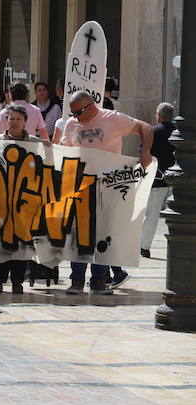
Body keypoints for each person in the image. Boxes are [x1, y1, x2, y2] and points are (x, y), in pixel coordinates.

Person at [61, 90, 153, 295]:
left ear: (91, 106)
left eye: (78, 112)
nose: (74, 117)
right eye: (72, 112)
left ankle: (99, 281)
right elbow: (64, 151)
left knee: (103, 234)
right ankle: (76, 281)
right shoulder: (71, 124)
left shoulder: (113, 118)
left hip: (109, 187)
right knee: (79, 235)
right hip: (80, 186)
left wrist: (145, 151)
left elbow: (145, 127)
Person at [0, 104, 50, 294]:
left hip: (25, 203)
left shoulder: (34, 142)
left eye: (19, 119)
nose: (15, 122)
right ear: (6, 120)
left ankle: (17, 281)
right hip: (0, 201)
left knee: (22, 242)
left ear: (25, 122)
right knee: (0, 242)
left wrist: (49, 148)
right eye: (11, 118)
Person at [141, 102, 176, 259]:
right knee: (176, 217)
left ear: (159, 116)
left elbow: (143, 152)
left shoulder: (153, 131)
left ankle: (144, 247)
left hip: (157, 180)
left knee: (152, 215)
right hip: (177, 182)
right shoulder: (179, 132)